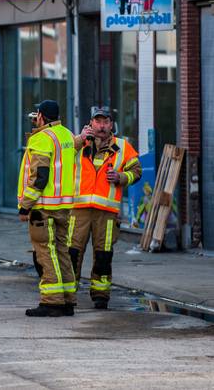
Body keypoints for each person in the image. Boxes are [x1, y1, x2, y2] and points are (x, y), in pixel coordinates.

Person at [68, 106, 142, 309]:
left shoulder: (123, 146)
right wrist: (79, 139)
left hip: (106, 214)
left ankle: (101, 295)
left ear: (111, 124)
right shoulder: (79, 143)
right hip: (79, 210)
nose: (101, 126)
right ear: (90, 123)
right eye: (97, 121)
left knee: (103, 254)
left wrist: (121, 177)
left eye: (105, 121)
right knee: (72, 252)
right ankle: (67, 293)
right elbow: (61, 157)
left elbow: (137, 171)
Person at [18, 100, 77, 318]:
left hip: (44, 207)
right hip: (64, 206)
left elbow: (39, 177)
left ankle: (52, 301)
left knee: (45, 253)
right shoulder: (66, 135)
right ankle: (68, 300)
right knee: (62, 252)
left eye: (37, 115)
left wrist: (25, 207)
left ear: (41, 116)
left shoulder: (41, 138)